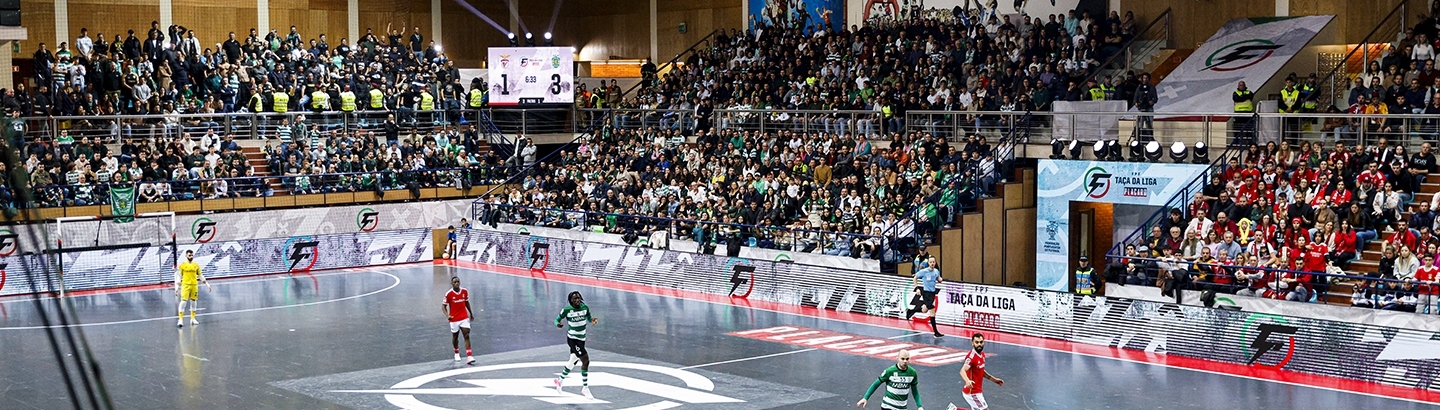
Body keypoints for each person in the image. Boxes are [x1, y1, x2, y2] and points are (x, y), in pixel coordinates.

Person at [553, 291, 599, 399]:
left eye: (578, 298)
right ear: (570, 301)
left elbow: (588, 317)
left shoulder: (585, 308)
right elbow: (556, 319)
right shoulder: (567, 310)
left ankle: (559, 380)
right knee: (585, 360)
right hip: (573, 339)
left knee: (573, 361)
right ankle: (585, 388)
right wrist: (558, 324)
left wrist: (592, 320)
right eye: (574, 299)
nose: (577, 300)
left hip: (582, 339)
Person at [951, 333, 1004, 410]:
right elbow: (962, 370)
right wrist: (967, 381)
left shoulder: (982, 354)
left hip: (978, 390)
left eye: (981, 342)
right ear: (972, 343)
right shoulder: (971, 357)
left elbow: (981, 370)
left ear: (984, 342)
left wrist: (994, 380)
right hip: (972, 392)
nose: (979, 344)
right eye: (977, 342)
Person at [857, 349, 923, 410]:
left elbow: (915, 391)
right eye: (902, 359)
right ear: (898, 359)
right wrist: (865, 398)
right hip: (888, 406)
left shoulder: (912, 373)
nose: (905, 361)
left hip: (902, 407)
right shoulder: (889, 371)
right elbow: (876, 384)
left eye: (907, 359)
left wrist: (919, 406)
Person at [905, 257, 944, 338]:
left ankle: (910, 311)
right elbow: (915, 277)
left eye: (933, 262)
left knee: (924, 310)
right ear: (928, 263)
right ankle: (936, 332)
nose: (932, 263)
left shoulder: (936, 271)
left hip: (932, 293)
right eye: (931, 262)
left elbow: (938, 278)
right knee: (932, 312)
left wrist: (940, 279)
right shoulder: (924, 271)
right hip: (926, 294)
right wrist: (917, 288)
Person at [442, 276, 475, 364]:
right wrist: (447, 315)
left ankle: (469, 356)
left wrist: (471, 313)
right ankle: (456, 353)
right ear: (452, 284)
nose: (457, 283)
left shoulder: (464, 291)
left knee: (466, 334)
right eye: (455, 282)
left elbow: (467, 302)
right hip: (454, 319)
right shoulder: (448, 294)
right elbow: (443, 306)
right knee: (455, 336)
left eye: (458, 282)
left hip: (464, 317)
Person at [175, 250, 211, 327]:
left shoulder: (196, 265)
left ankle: (193, 319)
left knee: (193, 301)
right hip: (185, 285)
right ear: (186, 256)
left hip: (194, 285)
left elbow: (200, 275)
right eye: (189, 255)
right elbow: (179, 276)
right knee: (183, 302)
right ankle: (180, 319)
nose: (191, 257)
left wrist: (207, 284)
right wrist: (177, 287)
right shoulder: (182, 265)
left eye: (192, 255)